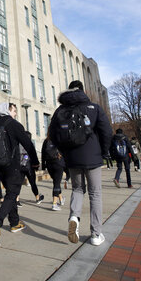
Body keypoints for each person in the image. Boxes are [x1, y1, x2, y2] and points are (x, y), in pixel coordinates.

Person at [48, 81, 112, 246]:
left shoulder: (60, 110)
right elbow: (106, 131)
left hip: (72, 158)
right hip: (93, 157)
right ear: (83, 91)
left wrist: (64, 151)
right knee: (95, 194)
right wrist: (104, 152)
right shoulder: (93, 108)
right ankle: (96, 234)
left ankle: (74, 217)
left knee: (77, 189)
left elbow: (53, 135)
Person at [0, 102, 39, 248]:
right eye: (14, 111)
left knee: (10, 192)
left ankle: (15, 223)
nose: (16, 113)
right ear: (8, 111)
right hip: (12, 166)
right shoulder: (14, 124)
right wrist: (34, 161)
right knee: (12, 194)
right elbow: (28, 144)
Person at [41, 135, 66, 211]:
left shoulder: (46, 141)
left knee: (56, 182)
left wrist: (43, 166)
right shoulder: (60, 139)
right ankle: (54, 204)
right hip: (58, 163)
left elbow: (43, 153)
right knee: (56, 183)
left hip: (49, 164)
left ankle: (61, 198)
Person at [19, 131, 44, 205]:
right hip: (29, 166)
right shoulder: (30, 144)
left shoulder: (18, 144)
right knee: (33, 183)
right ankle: (37, 197)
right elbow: (34, 156)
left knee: (19, 184)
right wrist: (36, 165)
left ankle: (16, 200)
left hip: (20, 166)